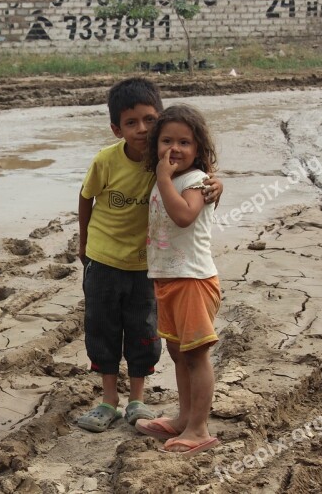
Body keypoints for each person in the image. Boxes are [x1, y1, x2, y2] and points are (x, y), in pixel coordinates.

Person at [77, 78, 222, 433]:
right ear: (116, 129)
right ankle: (108, 400)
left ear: (157, 122)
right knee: (103, 328)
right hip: (106, 259)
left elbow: (195, 188)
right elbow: (85, 197)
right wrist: (83, 245)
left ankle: (138, 401)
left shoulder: (170, 167)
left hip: (152, 268)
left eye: (148, 120)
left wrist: (217, 182)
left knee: (145, 333)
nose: (141, 129)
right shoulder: (109, 161)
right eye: (131, 122)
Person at [135, 104, 221, 456]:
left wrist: (164, 179)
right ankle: (184, 417)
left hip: (193, 279)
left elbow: (184, 216)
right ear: (155, 145)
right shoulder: (169, 180)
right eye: (167, 140)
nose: (175, 149)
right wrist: (163, 179)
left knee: (196, 354)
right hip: (168, 278)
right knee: (177, 351)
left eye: (184, 142)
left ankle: (198, 428)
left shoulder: (197, 181)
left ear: (198, 149)